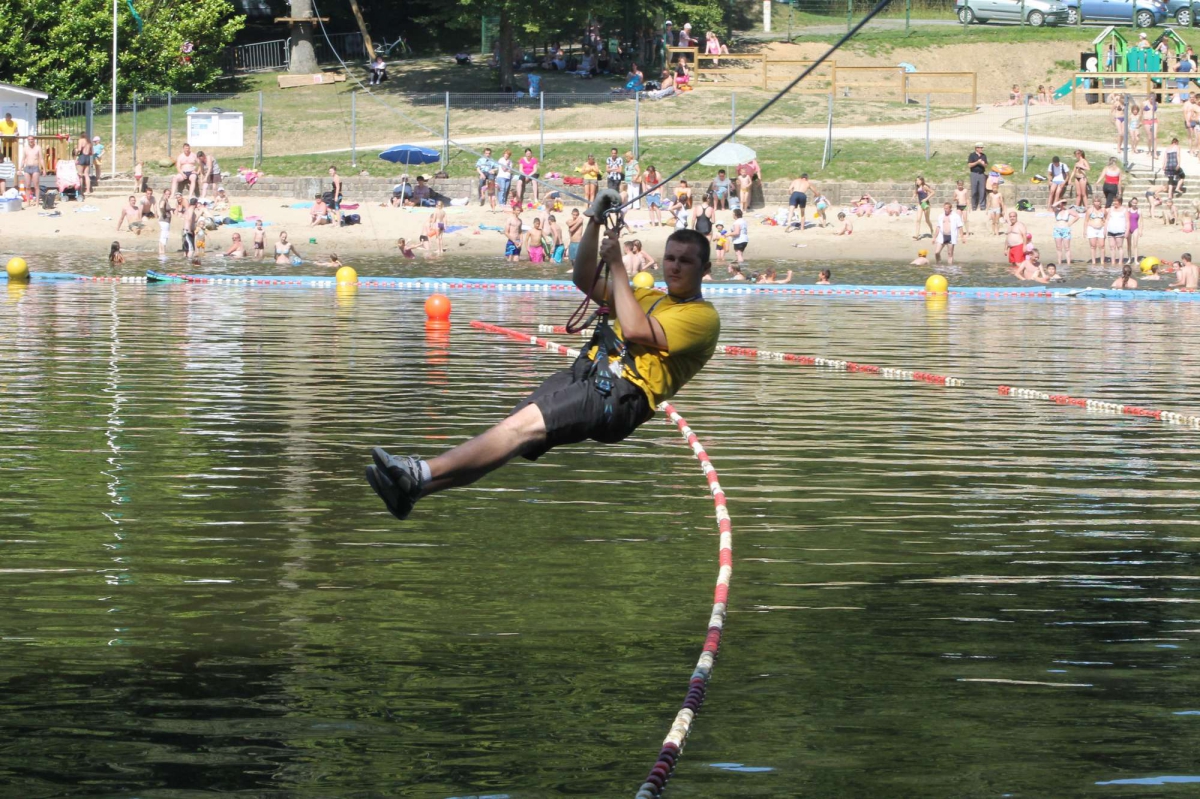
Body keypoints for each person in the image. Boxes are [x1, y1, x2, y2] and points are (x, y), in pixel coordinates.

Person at [365, 196, 720, 522]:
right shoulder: (647, 295)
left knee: (519, 428)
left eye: (685, 261)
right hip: (589, 375)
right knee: (513, 432)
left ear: (704, 268)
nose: (674, 267)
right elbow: (583, 279)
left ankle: (419, 471)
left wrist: (617, 267)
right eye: (671, 258)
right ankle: (415, 490)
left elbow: (637, 330)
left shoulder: (703, 318)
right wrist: (594, 220)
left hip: (621, 395)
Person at [1052, 199, 1080, 266]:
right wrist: (1060, 201)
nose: (1062, 204)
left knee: (1067, 247)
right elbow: (1053, 206)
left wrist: (1071, 223)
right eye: (1062, 203)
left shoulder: (1068, 211)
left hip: (1065, 230)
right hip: (1057, 230)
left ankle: (1068, 263)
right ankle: (1059, 262)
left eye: (1064, 203)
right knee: (1059, 247)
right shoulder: (1056, 211)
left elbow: (1077, 216)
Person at [1105, 195, 1128, 264]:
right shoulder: (1111, 209)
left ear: (1120, 202)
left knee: (1119, 247)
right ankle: (1113, 262)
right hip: (1111, 230)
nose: (1114, 202)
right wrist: (1105, 229)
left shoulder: (1124, 210)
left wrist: (1127, 231)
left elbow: (1127, 221)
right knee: (1112, 247)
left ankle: (1120, 262)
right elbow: (1107, 219)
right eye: (1114, 201)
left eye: (1116, 201)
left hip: (1120, 231)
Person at [1085, 196, 1106, 265]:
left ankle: (1102, 261)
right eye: (1095, 201)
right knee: (1093, 245)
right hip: (1092, 228)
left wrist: (1105, 228)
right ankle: (1094, 261)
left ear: (1100, 202)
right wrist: (1084, 231)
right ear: (1093, 202)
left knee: (1102, 245)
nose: (1097, 203)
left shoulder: (1103, 210)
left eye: (1098, 201)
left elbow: (1106, 219)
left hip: (1101, 228)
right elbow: (1086, 221)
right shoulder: (1090, 210)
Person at [968, 142, 988, 211]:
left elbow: (986, 165)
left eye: (982, 148)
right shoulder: (972, 155)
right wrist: (977, 162)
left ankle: (982, 206)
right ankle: (974, 206)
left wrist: (982, 164)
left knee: (982, 191)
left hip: (981, 174)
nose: (982, 149)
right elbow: (969, 165)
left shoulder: (984, 156)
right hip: (974, 174)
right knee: (974, 191)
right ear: (976, 148)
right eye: (980, 148)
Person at [157, 192, 173, 257]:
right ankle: (163, 253)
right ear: (163, 194)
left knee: (162, 237)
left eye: (169, 194)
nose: (168, 195)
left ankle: (161, 253)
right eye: (167, 194)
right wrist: (164, 213)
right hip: (164, 221)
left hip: (164, 221)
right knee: (164, 237)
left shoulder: (165, 200)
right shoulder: (163, 200)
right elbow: (161, 206)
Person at [1126, 197, 1142, 264]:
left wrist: (1141, 230)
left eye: (1135, 203)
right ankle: (1129, 259)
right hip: (1129, 228)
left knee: (1135, 244)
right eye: (1133, 203)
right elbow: (1125, 220)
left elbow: (1141, 221)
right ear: (1131, 203)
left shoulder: (1139, 210)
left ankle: (1135, 260)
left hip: (1135, 228)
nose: (1134, 204)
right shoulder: (1128, 210)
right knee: (1128, 244)